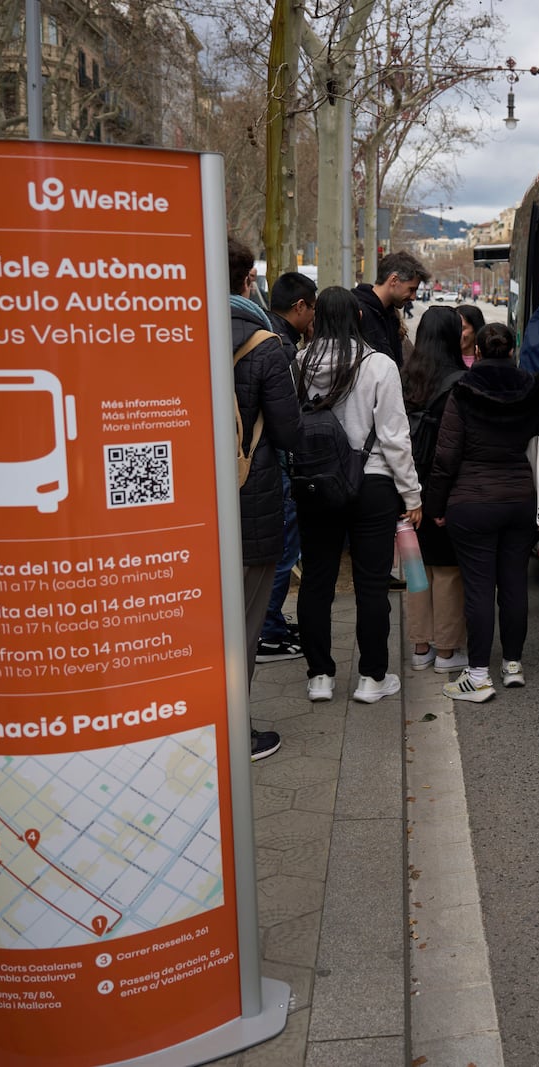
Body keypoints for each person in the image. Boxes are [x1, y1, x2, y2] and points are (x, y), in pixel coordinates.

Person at [295, 286, 422, 705]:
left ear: (316, 319)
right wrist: (412, 494)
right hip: (373, 484)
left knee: (317, 580)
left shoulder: (299, 362)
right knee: (371, 584)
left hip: (317, 485)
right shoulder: (379, 365)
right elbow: (395, 436)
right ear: (360, 318)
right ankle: (372, 677)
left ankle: (319, 677)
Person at [426, 323, 539, 703]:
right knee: (513, 583)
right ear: (511, 350)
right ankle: (512, 665)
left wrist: (435, 505)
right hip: (519, 500)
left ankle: (478, 674)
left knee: (479, 588)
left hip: (472, 501)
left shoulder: (463, 393)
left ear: (477, 351)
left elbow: (446, 456)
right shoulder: (532, 389)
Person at [228, 241, 302, 760]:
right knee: (245, 624)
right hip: (248, 499)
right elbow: (288, 431)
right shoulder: (263, 343)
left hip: (182, 506)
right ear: (248, 278)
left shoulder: (164, 329)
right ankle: (236, 732)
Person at [401, 306, 468, 675]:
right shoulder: (459, 382)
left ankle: (419, 646)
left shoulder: (406, 376)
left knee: (415, 568)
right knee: (446, 571)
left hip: (407, 486)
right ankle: (445, 652)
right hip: (445, 486)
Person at [256, 271, 317, 662]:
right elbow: (285, 421)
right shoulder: (281, 348)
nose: (313, 319)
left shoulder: (267, 335)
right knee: (283, 551)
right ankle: (269, 634)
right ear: (299, 307)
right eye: (312, 310)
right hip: (276, 466)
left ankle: (271, 624)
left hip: (262, 463)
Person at [352, 251, 429, 366]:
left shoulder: (390, 315)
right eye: (411, 289)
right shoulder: (357, 312)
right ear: (394, 280)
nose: (413, 297)